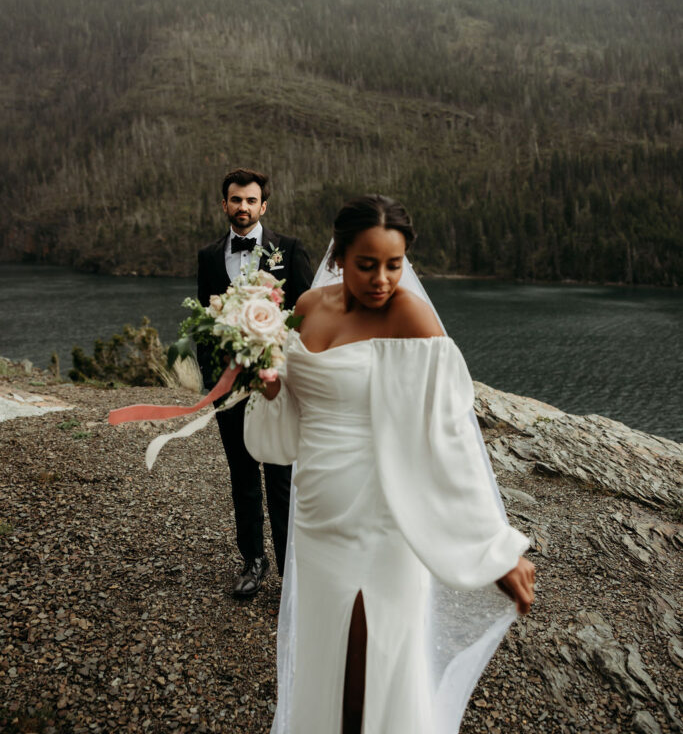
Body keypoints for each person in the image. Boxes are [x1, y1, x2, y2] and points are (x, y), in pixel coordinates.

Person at [243, 194, 535, 733]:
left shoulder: (412, 317)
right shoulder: (307, 306)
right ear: (339, 256)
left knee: (373, 663)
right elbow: (288, 423)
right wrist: (271, 386)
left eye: (394, 265)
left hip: (385, 519)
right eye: (367, 264)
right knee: (324, 658)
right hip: (316, 517)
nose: (382, 279)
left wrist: (496, 547)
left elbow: (449, 437)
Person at [197, 167, 313, 598]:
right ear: (224, 204)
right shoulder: (208, 257)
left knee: (281, 478)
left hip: (277, 387)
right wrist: (215, 385)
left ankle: (290, 573)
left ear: (263, 206)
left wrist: (288, 373)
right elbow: (204, 329)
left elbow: (307, 317)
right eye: (235, 200)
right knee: (241, 476)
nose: (242, 207)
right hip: (230, 392)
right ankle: (252, 561)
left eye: (250, 200)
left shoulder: (290, 250)